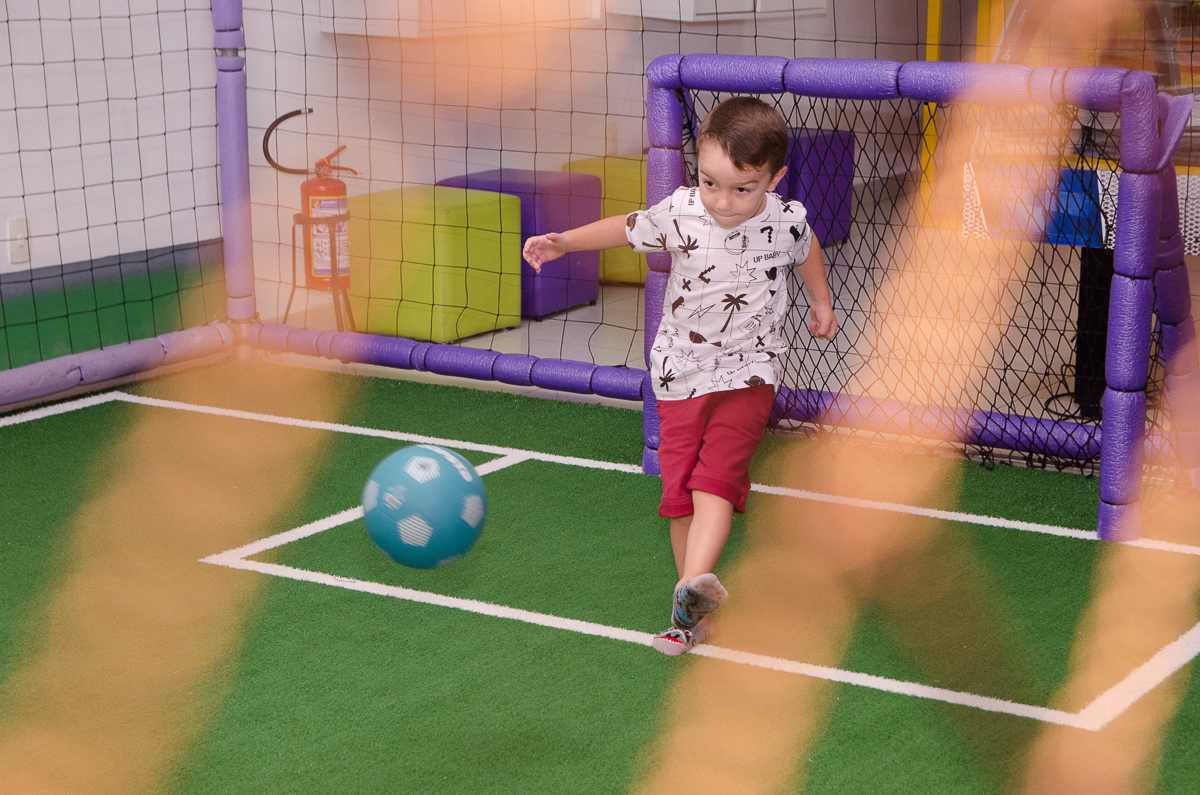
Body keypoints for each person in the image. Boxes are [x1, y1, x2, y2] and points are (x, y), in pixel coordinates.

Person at [523, 96, 837, 656]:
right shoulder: (682, 211)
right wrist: (563, 241)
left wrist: (821, 301)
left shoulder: (785, 219)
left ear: (775, 178)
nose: (724, 201)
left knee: (715, 480)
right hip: (679, 375)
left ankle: (691, 590)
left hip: (748, 374)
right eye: (712, 182)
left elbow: (807, 246)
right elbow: (624, 227)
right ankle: (688, 606)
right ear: (699, 169)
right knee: (680, 495)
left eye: (743, 188)